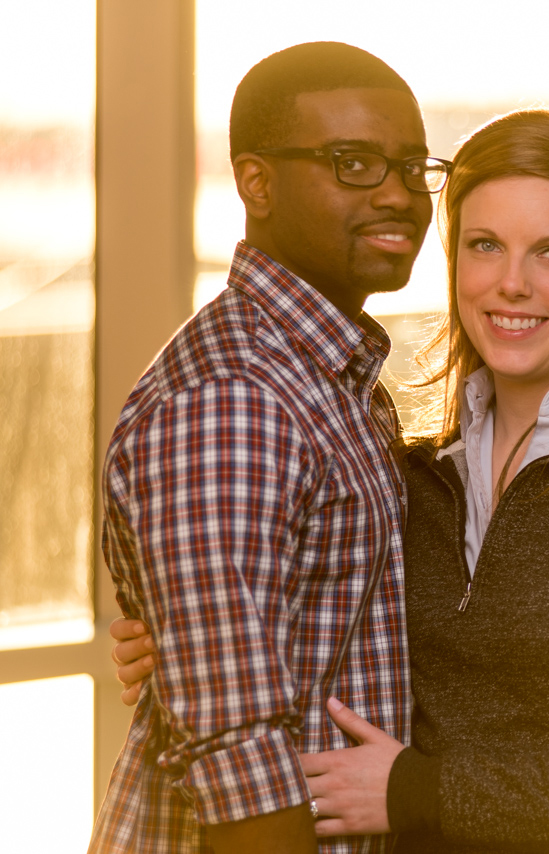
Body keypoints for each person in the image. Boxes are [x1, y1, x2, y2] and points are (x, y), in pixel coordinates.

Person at [116, 108, 549, 853]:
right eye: (484, 245)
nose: (511, 284)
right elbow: (315, 640)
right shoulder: (408, 473)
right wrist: (177, 635)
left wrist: (411, 791)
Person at [90, 41, 447, 854]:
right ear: (256, 182)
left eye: (411, 166)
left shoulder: (334, 374)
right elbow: (239, 753)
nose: (398, 195)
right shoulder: (236, 395)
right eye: (353, 163)